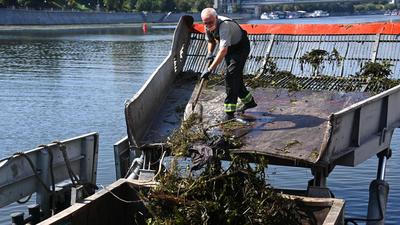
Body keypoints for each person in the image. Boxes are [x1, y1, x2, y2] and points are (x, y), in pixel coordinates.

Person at [200, 8, 257, 121]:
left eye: (211, 22)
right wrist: (210, 53)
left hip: (240, 47)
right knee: (235, 77)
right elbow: (211, 41)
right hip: (229, 48)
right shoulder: (207, 25)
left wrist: (209, 69)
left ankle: (229, 113)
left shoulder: (224, 26)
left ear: (216, 18)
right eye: (205, 23)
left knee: (230, 77)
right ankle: (249, 102)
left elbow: (223, 51)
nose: (208, 25)